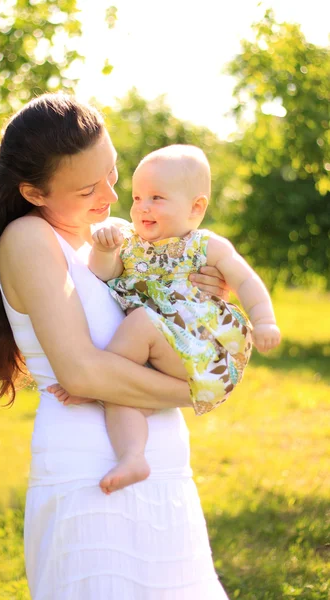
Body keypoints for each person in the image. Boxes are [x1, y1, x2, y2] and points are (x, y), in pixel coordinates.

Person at [0, 92, 232, 599]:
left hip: (163, 467)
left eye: (113, 173)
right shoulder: (29, 239)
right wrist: (200, 388)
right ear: (32, 191)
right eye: (89, 188)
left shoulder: (109, 242)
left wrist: (203, 297)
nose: (112, 196)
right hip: (90, 472)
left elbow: (159, 333)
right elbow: (81, 373)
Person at [61, 144, 280, 496]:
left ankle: (95, 381)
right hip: (167, 354)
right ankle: (132, 457)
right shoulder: (129, 244)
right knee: (123, 397)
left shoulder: (206, 246)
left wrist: (265, 320)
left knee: (139, 325)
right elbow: (102, 273)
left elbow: (246, 280)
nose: (142, 207)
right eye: (137, 197)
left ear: (196, 207)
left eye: (157, 198)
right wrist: (104, 250)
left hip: (205, 351)